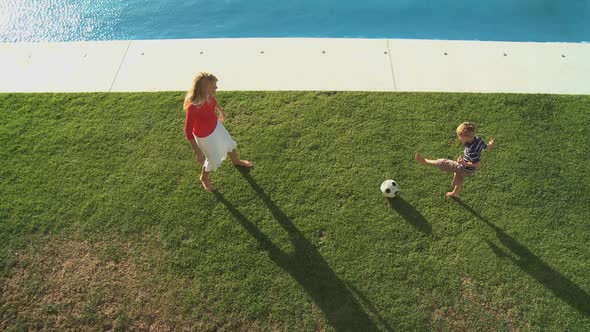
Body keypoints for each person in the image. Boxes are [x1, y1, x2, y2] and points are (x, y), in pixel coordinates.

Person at [184, 72, 252, 191]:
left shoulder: (208, 96)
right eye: (214, 86)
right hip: (205, 136)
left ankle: (236, 161)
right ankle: (204, 178)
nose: (216, 88)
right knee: (212, 158)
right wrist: (198, 152)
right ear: (205, 88)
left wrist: (221, 111)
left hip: (216, 126)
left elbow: (214, 103)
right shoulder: (193, 107)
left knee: (230, 144)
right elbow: (188, 132)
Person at [415, 122, 495, 197]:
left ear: (466, 137)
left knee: (444, 162)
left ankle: (425, 161)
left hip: (464, 167)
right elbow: (486, 146)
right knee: (459, 175)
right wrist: (490, 145)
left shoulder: (471, 150)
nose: (459, 138)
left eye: (459, 136)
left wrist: (462, 163)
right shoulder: (478, 140)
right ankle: (455, 193)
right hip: (468, 169)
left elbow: (477, 164)